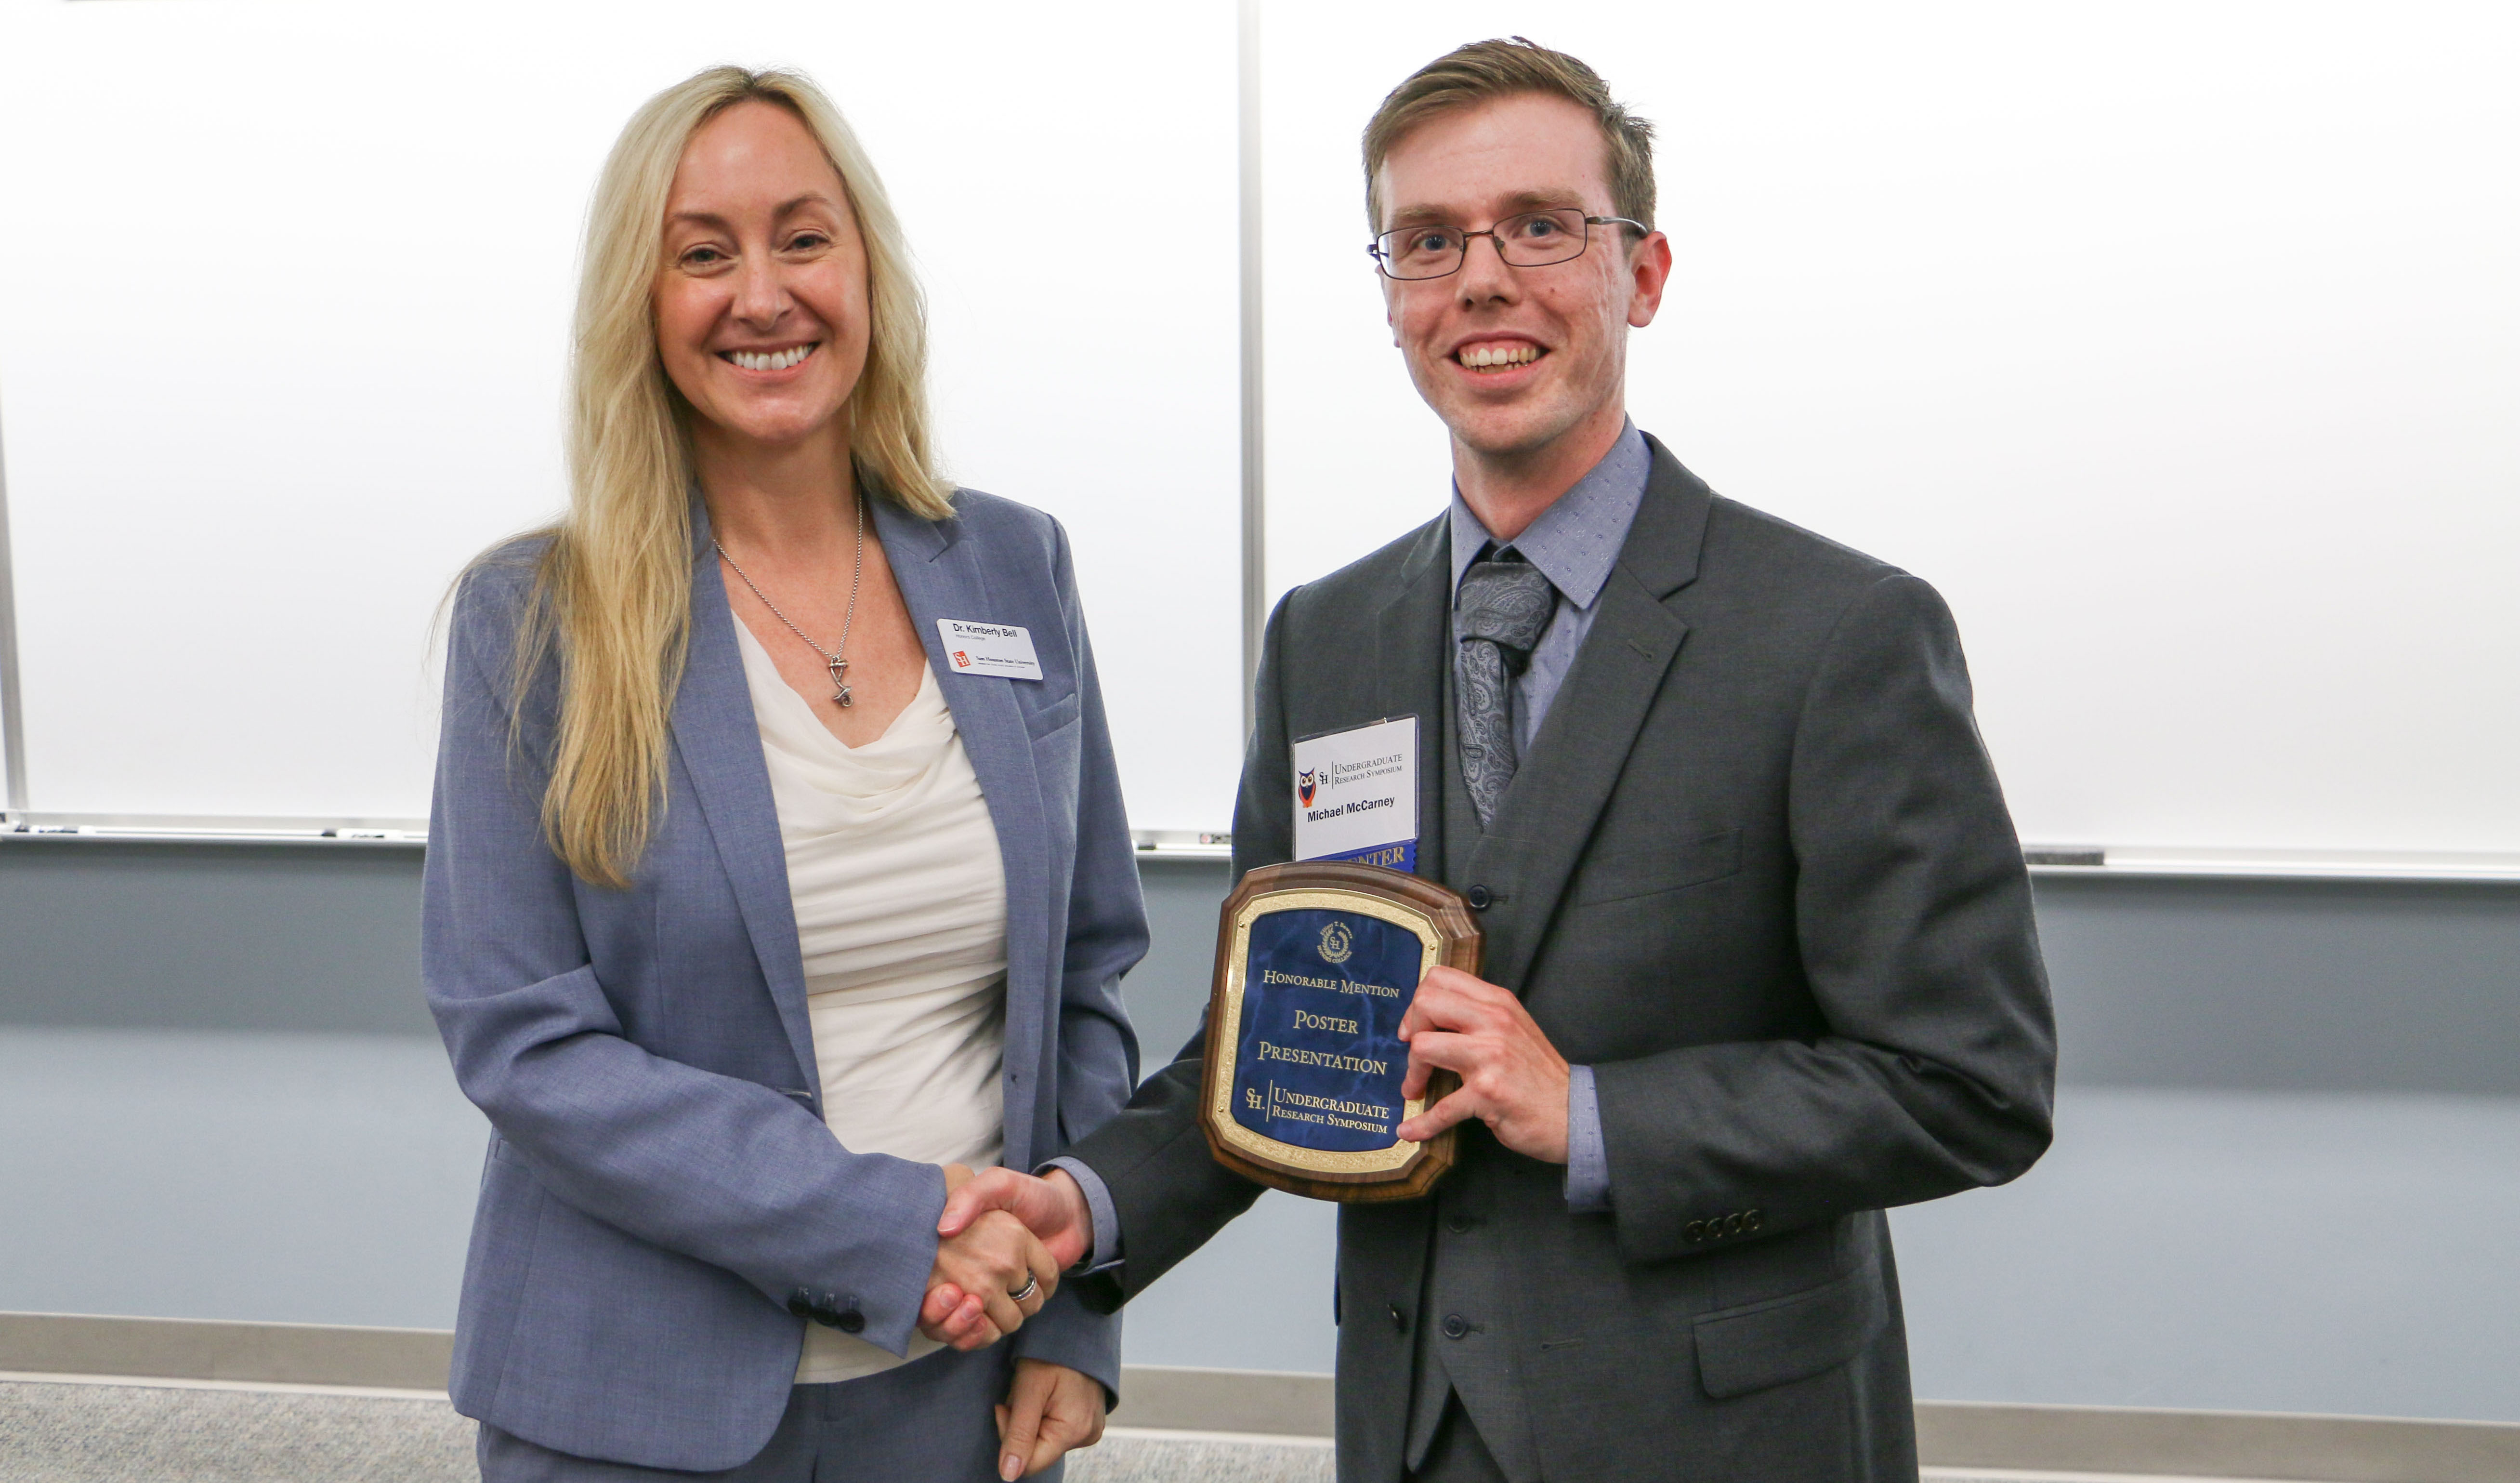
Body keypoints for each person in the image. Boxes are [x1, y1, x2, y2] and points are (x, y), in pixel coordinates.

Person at [937, 38, 2057, 1483]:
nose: (1481, 280)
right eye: (1427, 241)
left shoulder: (1837, 634)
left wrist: (1588, 1112)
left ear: (1642, 274)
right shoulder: (1323, 638)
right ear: (1393, 295)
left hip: (1727, 1436)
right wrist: (1084, 1205)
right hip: (1410, 1427)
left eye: (1540, 226)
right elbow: (1282, 1038)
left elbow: (1969, 1083)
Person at [423, 66, 1140, 1480]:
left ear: (868, 270)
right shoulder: (538, 619)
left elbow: (1087, 981)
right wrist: (889, 1220)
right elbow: (524, 1043)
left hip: (967, 1380)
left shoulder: (1013, 563)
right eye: (703, 253)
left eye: (804, 238)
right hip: (638, 1400)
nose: (764, 295)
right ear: (641, 299)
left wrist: (1079, 1311)